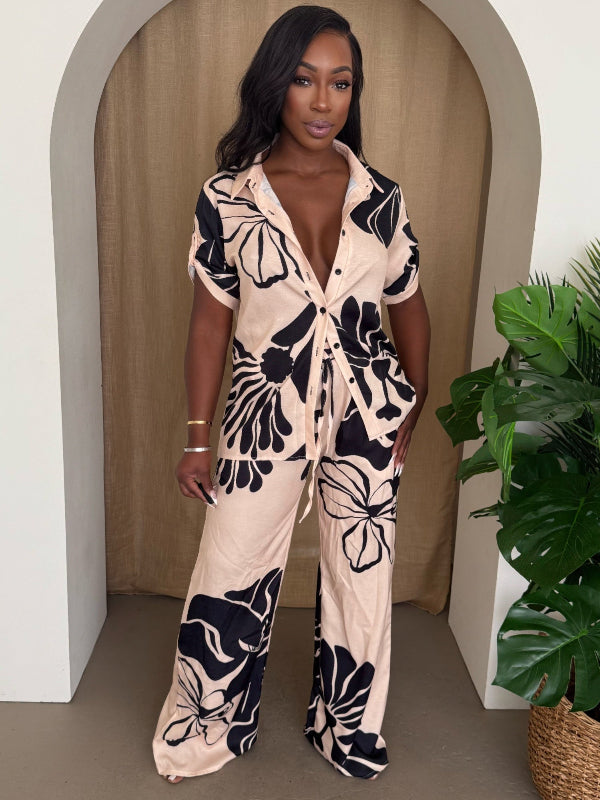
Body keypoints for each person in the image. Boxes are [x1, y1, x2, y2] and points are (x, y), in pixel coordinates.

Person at [152, 4, 430, 784]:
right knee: (231, 565)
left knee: (361, 575)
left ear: (354, 93)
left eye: (340, 83)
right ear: (276, 84)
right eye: (305, 80)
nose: (321, 100)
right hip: (263, 410)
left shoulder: (382, 196)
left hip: (367, 410)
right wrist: (198, 436)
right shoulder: (229, 197)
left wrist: (415, 391)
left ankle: (348, 732)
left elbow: (407, 296)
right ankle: (207, 729)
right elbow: (211, 323)